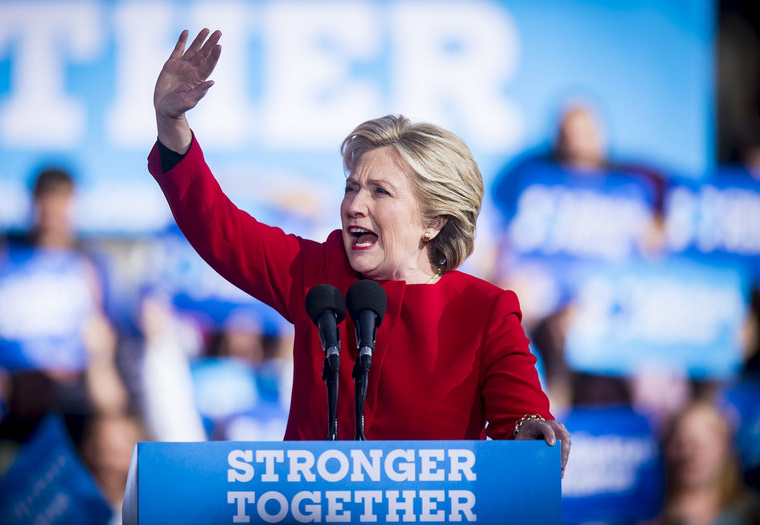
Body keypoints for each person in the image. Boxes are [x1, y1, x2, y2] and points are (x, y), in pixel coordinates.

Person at [149, 29, 570, 469]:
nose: (354, 205)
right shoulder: (319, 275)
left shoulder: (485, 311)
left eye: (380, 192)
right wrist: (171, 123)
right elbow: (218, 227)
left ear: (432, 222)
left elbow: (520, 413)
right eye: (352, 188)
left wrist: (530, 428)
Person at [653, 400, 760, 525]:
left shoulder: (751, 512)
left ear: (725, 449)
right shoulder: (646, 513)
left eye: (702, 445)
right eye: (680, 444)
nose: (689, 454)